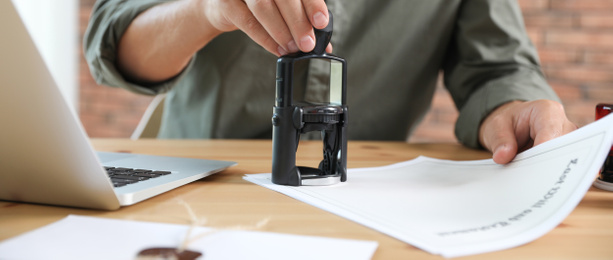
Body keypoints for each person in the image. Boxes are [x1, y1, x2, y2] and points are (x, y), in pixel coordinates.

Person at [84, 0, 577, 164]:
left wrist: (512, 106)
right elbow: (111, 41)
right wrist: (206, 9)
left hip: (369, 194)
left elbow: (497, 68)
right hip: (203, 182)